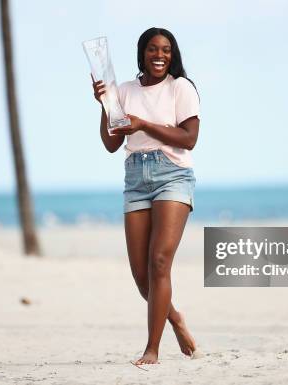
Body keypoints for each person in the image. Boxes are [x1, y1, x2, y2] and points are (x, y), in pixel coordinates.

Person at [91, 27, 200, 365]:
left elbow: (189, 138)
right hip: (136, 176)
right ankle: (176, 318)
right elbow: (111, 144)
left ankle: (152, 349)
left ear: (173, 55)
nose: (160, 55)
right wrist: (104, 105)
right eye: (153, 49)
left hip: (172, 173)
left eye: (166, 50)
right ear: (142, 53)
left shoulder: (181, 88)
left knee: (159, 263)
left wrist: (143, 124)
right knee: (142, 278)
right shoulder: (124, 90)